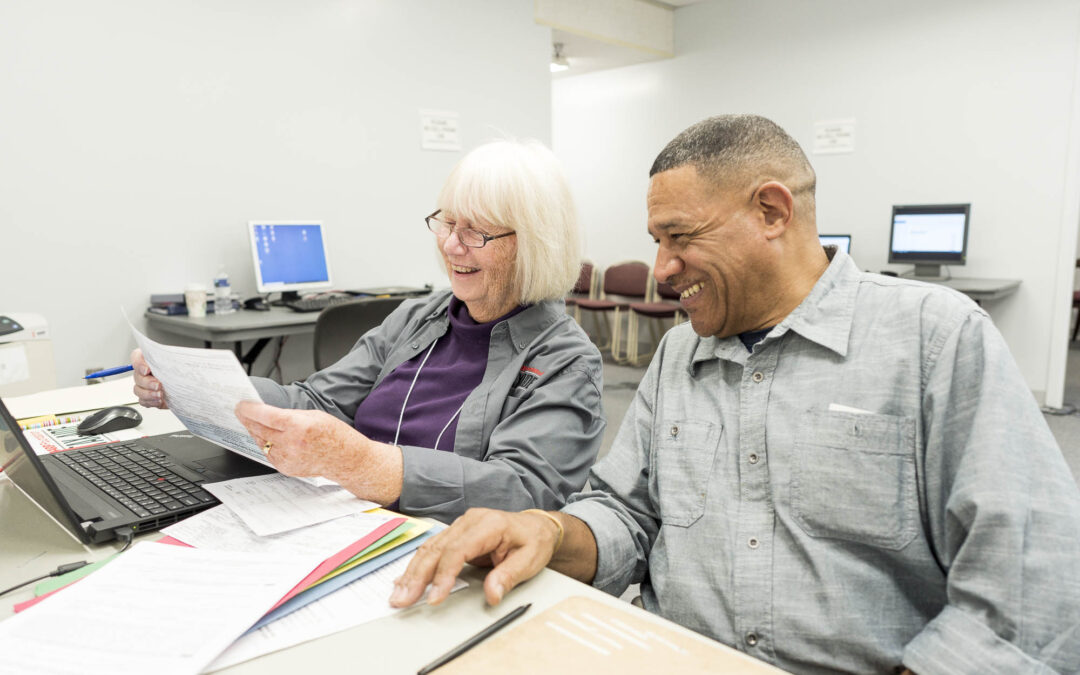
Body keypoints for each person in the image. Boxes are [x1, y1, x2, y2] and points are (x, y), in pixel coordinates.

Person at [390, 115, 1080, 673]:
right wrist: (546, 528)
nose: (662, 268)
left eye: (680, 237)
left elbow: (1031, 589)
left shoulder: (936, 341)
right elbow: (625, 514)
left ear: (772, 211)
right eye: (655, 241)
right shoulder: (678, 355)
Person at [132, 138, 605, 524]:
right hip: (342, 516)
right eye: (447, 222)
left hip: (427, 546)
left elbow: (523, 493)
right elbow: (319, 402)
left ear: (536, 245)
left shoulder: (565, 360)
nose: (451, 245)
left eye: (477, 232)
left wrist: (364, 464)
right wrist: (199, 385)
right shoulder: (419, 317)